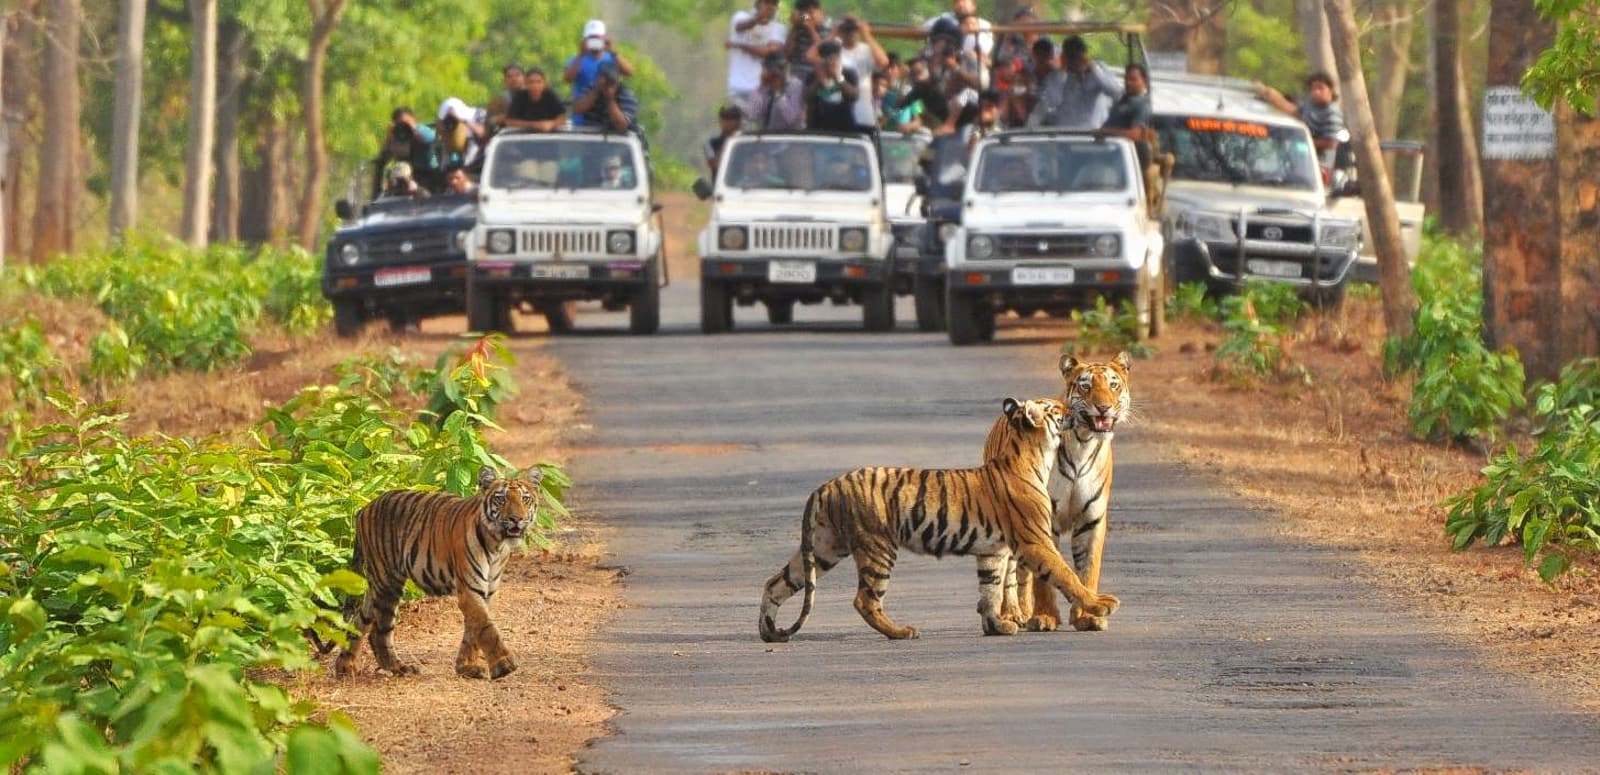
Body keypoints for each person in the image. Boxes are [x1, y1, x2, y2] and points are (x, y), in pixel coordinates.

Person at [1027, 35, 1122, 130]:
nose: (1074, 62)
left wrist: (1093, 69)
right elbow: (1051, 101)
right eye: (1070, 57)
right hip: (1065, 134)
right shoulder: (1058, 77)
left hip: (1092, 135)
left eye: (1076, 57)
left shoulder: (1098, 71)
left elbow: (1116, 93)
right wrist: (1062, 71)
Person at [1254, 71, 1347, 161]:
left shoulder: (1332, 113)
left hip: (1318, 160)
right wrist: (1272, 96)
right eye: (1313, 89)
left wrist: (1302, 141)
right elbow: (1295, 112)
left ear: (1330, 90)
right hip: (1298, 155)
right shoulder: (1310, 104)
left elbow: (1331, 143)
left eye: (1320, 88)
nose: (1316, 92)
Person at [565, 19, 636, 125]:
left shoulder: (612, 58)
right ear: (585, 40)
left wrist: (613, 51)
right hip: (582, 116)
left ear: (604, 38)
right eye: (591, 39)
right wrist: (581, 54)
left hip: (609, 114)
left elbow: (630, 72)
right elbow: (568, 79)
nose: (594, 43)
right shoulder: (576, 60)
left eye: (597, 39)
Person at [726, 0, 787, 114]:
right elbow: (740, 26)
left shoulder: (778, 27)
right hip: (737, 88)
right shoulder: (740, 16)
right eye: (767, 3)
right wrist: (757, 19)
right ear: (758, 3)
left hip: (761, 90)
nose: (770, 7)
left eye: (774, 4)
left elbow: (766, 52)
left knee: (758, 129)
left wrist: (738, 45)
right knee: (737, 128)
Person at [371, 107, 438, 199]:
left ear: (414, 120)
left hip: (431, 175)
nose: (405, 127)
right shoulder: (398, 138)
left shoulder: (422, 131)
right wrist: (389, 137)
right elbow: (383, 159)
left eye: (407, 122)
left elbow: (433, 139)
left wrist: (413, 129)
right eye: (401, 124)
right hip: (406, 181)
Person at [572, 61, 643, 136]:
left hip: (620, 139)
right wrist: (596, 90)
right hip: (592, 137)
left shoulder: (627, 95)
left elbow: (621, 125)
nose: (608, 83)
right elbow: (577, 109)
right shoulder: (591, 89)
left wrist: (609, 98)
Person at [806, 39, 861, 132]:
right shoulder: (813, 75)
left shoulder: (849, 73)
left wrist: (838, 78)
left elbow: (854, 96)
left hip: (845, 128)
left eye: (834, 58)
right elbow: (807, 98)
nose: (829, 62)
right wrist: (819, 81)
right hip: (818, 128)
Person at [747, 52, 806, 131]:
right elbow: (753, 115)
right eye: (771, 68)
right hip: (767, 135)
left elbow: (791, 118)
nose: (776, 72)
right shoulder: (763, 87)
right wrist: (762, 88)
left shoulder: (795, 85)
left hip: (789, 135)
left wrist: (778, 93)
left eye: (780, 68)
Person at [503, 67, 566, 132]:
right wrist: (535, 125)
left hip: (550, 135)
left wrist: (551, 124)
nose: (535, 86)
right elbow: (509, 121)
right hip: (523, 135)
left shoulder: (550, 95)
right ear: (525, 84)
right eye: (531, 82)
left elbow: (562, 118)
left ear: (544, 83)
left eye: (538, 82)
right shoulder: (520, 96)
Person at [436, 97, 488, 171]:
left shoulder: (481, 114)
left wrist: (463, 121)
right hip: (467, 167)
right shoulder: (451, 128)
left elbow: (483, 134)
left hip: (482, 164)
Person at [785, 0, 831, 83]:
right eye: (806, 10)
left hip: (818, 78)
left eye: (814, 8)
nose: (811, 12)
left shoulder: (828, 31)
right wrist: (794, 27)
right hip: (797, 76)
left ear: (822, 12)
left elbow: (823, 51)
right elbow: (788, 54)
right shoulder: (796, 30)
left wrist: (810, 28)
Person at [705, 104, 744, 176]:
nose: (728, 122)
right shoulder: (712, 142)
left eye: (732, 118)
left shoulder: (746, 143)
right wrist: (729, 140)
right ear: (720, 121)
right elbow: (714, 164)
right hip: (722, 186)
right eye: (725, 118)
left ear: (739, 122)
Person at [487, 64, 524, 133]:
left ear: (524, 78)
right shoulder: (498, 101)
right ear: (504, 81)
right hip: (507, 138)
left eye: (517, 75)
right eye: (509, 76)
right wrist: (500, 119)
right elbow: (488, 123)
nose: (514, 79)